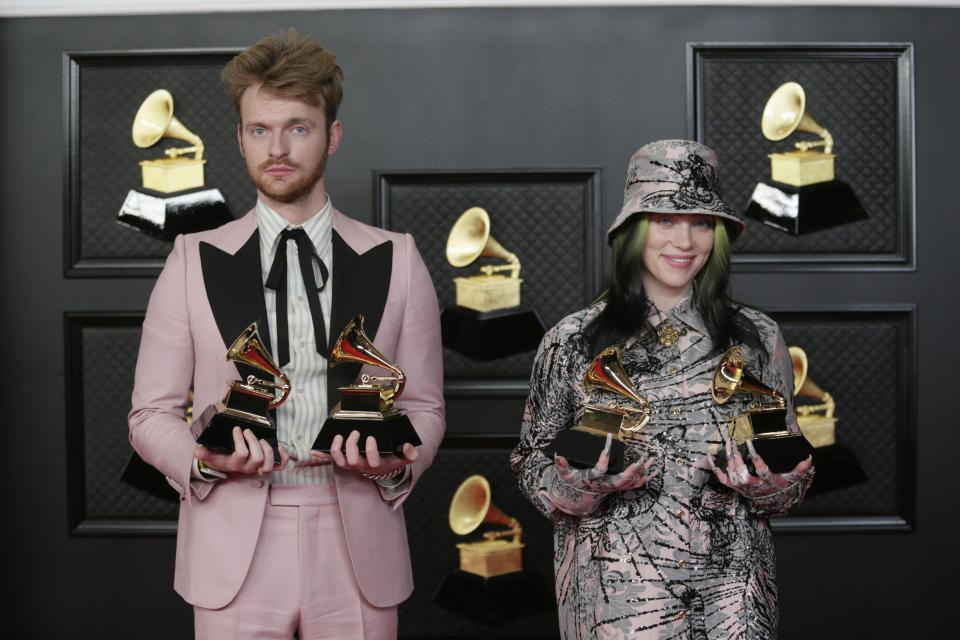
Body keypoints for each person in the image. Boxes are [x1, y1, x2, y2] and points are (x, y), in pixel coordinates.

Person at [128, 29, 444, 639]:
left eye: (298, 127)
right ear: (240, 138)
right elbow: (149, 415)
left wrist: (397, 465)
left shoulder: (397, 257)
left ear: (333, 135)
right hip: (232, 545)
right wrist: (200, 459)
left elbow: (425, 407)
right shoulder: (191, 258)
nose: (277, 148)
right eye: (259, 129)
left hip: (358, 545)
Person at [511, 139, 814, 639]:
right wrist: (577, 489)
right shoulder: (571, 340)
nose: (685, 241)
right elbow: (530, 462)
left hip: (734, 604)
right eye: (666, 220)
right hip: (615, 602)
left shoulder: (758, 338)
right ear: (634, 230)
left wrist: (774, 488)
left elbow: (791, 471)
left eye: (701, 223)